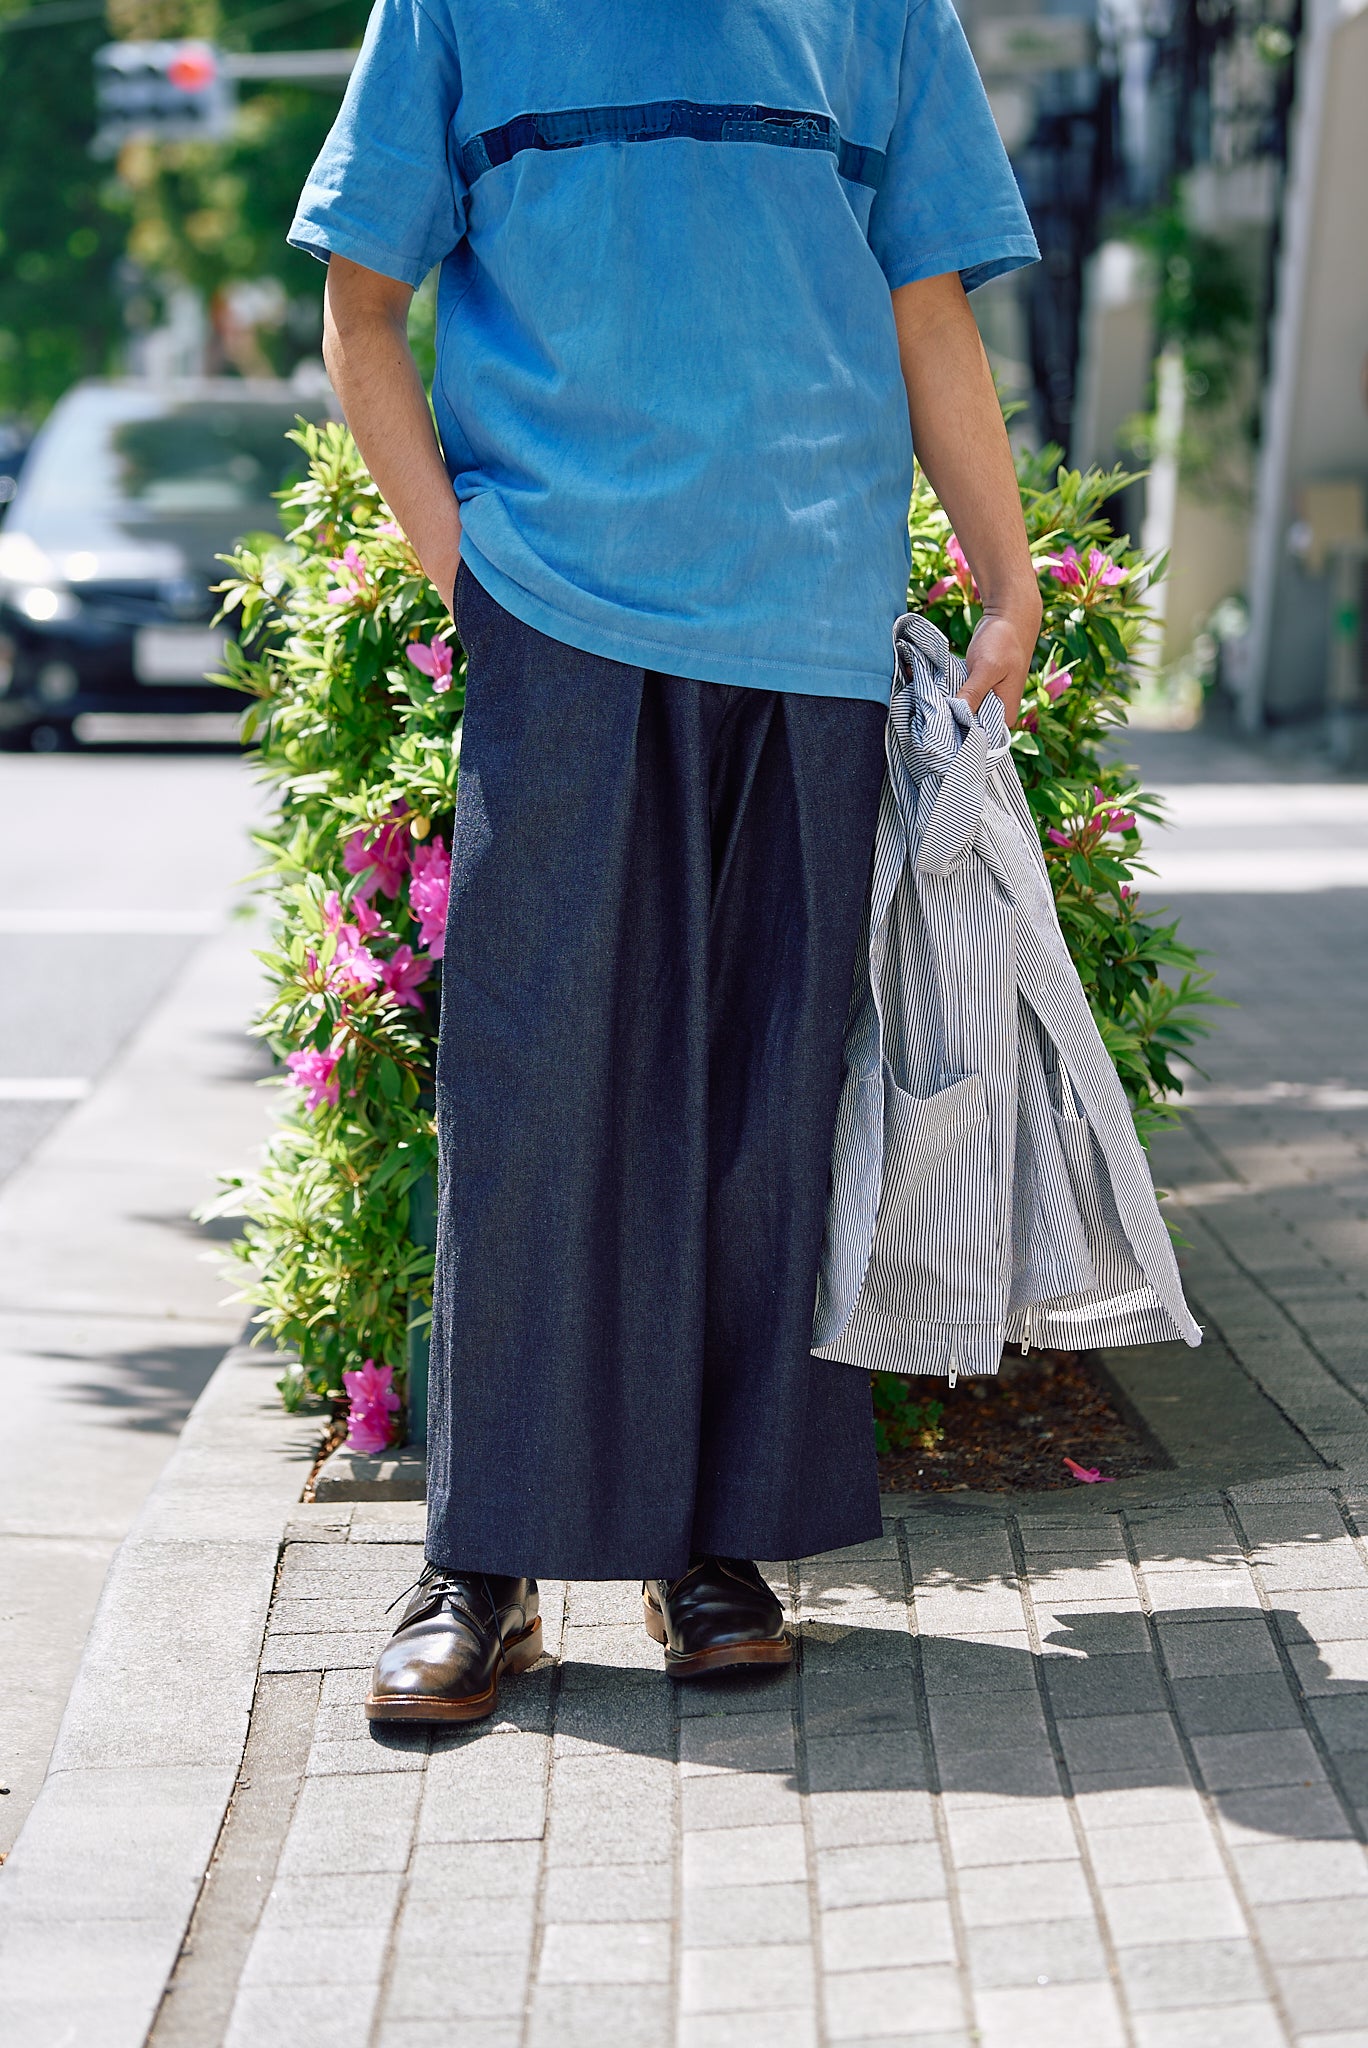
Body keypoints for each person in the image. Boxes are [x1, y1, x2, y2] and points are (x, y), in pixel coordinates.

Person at [289, 0, 1041, 1722]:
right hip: (561, 611)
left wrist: (1003, 574)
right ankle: (480, 1567)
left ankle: (718, 1550)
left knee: (768, 1099)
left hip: (814, 623)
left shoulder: (880, 17)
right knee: (537, 1090)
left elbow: (929, 315)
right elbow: (360, 304)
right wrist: (460, 565)